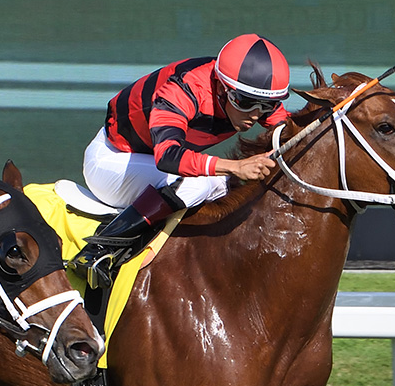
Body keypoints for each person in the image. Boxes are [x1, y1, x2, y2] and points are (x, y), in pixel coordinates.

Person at [72, 33, 293, 288]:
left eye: (266, 105)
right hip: (113, 161)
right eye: (245, 103)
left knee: (223, 187)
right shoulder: (183, 90)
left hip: (150, 164)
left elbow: (286, 129)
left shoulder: (244, 92)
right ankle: (97, 251)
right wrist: (235, 166)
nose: (256, 115)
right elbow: (167, 157)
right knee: (198, 185)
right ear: (223, 87)